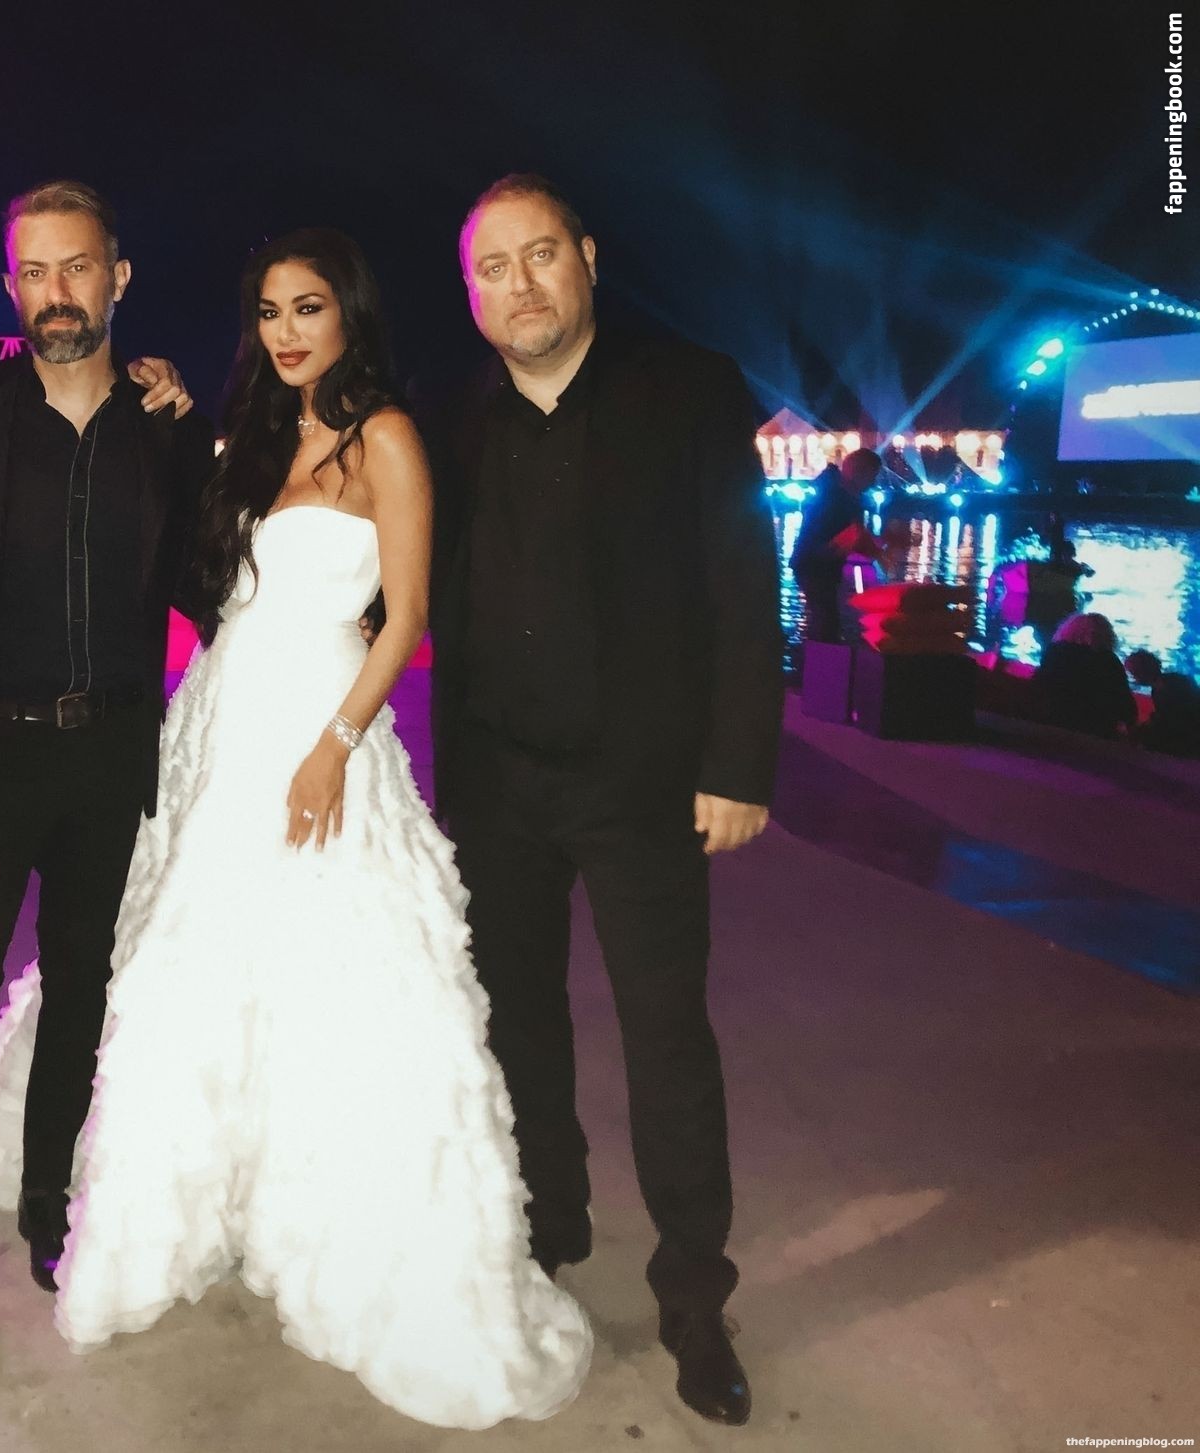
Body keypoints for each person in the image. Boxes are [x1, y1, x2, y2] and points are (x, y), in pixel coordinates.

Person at [0, 228, 592, 1430]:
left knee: (326, 972)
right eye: (270, 312)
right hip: (219, 718)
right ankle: (189, 1194)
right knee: (185, 956)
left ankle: (328, 1215)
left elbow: (407, 614)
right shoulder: (254, 436)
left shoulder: (386, 436)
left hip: (318, 723)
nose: (287, 331)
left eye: (308, 308)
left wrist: (336, 745)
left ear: (350, 315)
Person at [428, 175, 783, 1427]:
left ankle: (693, 1297)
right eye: (492, 268)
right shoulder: (453, 415)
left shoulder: (686, 389)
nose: (518, 285)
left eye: (539, 256)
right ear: (470, 294)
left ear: (586, 257)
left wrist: (739, 762)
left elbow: (743, 578)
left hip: (643, 784)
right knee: (519, 1022)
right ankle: (552, 1223)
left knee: (667, 1039)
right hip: (498, 779)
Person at [0, 181, 211, 1326]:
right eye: (32, 271)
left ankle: (48, 1201)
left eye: (76, 267)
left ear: (118, 277)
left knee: (79, 989)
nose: (54, 292)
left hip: (107, 755)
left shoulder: (164, 431)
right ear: (10, 285)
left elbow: (207, 573)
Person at [790, 447, 882, 643]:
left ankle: (817, 655)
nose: (873, 483)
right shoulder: (834, 497)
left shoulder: (841, 495)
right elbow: (824, 536)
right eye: (871, 476)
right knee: (825, 620)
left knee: (825, 618)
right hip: (815, 566)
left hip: (823, 564)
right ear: (858, 471)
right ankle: (820, 657)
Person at [1033, 612, 1136, 739]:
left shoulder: (1052, 655)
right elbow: (1126, 708)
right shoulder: (1108, 662)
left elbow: (1038, 690)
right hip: (1093, 733)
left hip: (1049, 725)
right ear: (1107, 635)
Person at [1125, 650, 1200, 755]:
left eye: (1134, 674)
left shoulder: (1165, 688)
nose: (1134, 678)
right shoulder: (1169, 683)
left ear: (1142, 672)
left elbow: (1174, 720)